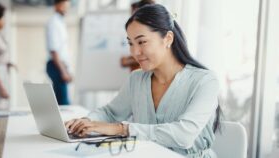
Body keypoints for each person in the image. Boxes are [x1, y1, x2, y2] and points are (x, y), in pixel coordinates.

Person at [65, 4, 221, 157]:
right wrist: (86, 121)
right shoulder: (137, 79)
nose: (134, 52)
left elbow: (184, 135)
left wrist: (121, 129)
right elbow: (110, 113)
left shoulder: (205, 81)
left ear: (167, 39)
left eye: (141, 42)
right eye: (130, 43)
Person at [46, 0, 72, 105]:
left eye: (66, 6)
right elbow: (54, 50)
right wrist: (64, 72)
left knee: (61, 102)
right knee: (63, 103)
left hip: (61, 66)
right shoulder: (54, 23)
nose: (66, 8)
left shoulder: (60, 22)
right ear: (57, 5)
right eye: (64, 5)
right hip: (56, 65)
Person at [120, 0, 155, 71]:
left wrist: (128, 61)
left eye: (134, 14)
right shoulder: (137, 30)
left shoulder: (152, 31)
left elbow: (152, 55)